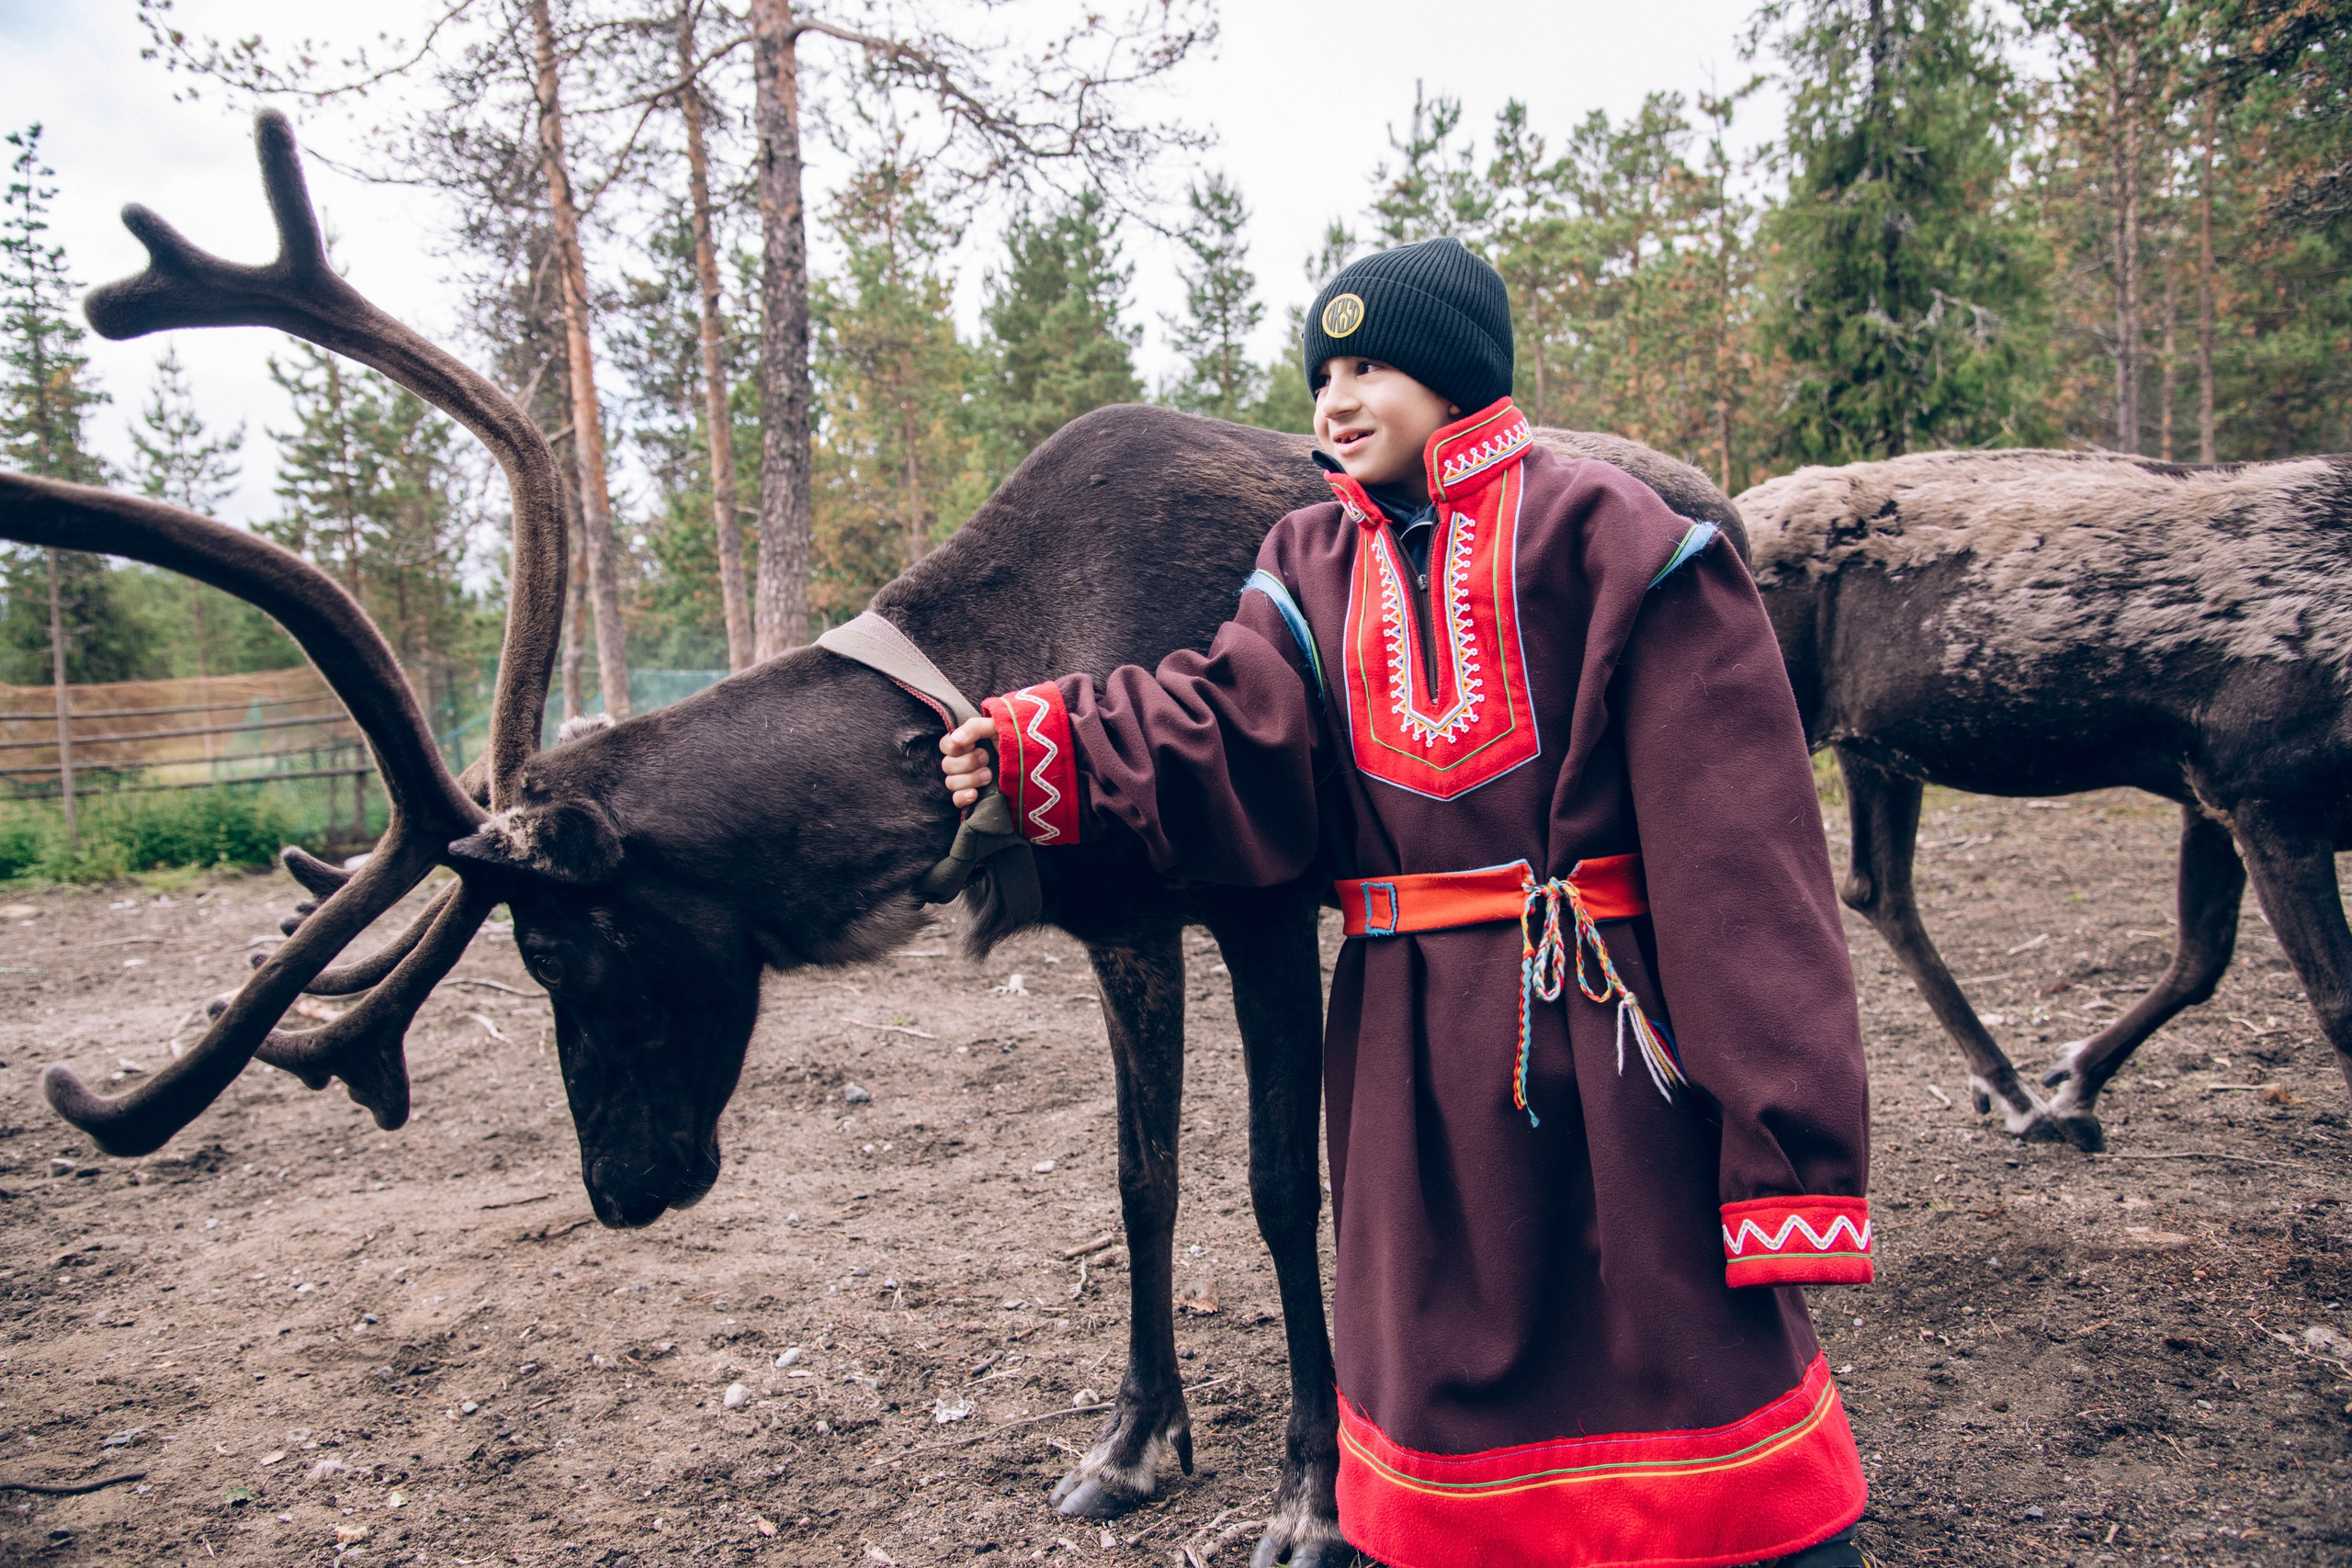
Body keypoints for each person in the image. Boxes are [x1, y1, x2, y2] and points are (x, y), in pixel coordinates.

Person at [941, 238, 1873, 1568]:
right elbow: (1235, 730)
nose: (1334, 399)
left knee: (1658, 1311)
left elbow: (1745, 859)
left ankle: (1733, 1529)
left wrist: (1791, 1151)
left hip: (1611, 1034)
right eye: (1321, 374)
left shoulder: (1611, 535)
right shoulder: (1306, 562)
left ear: (1456, 373)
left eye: (1370, 366)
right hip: (1408, 1054)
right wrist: (1053, 743)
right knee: (1438, 1323)